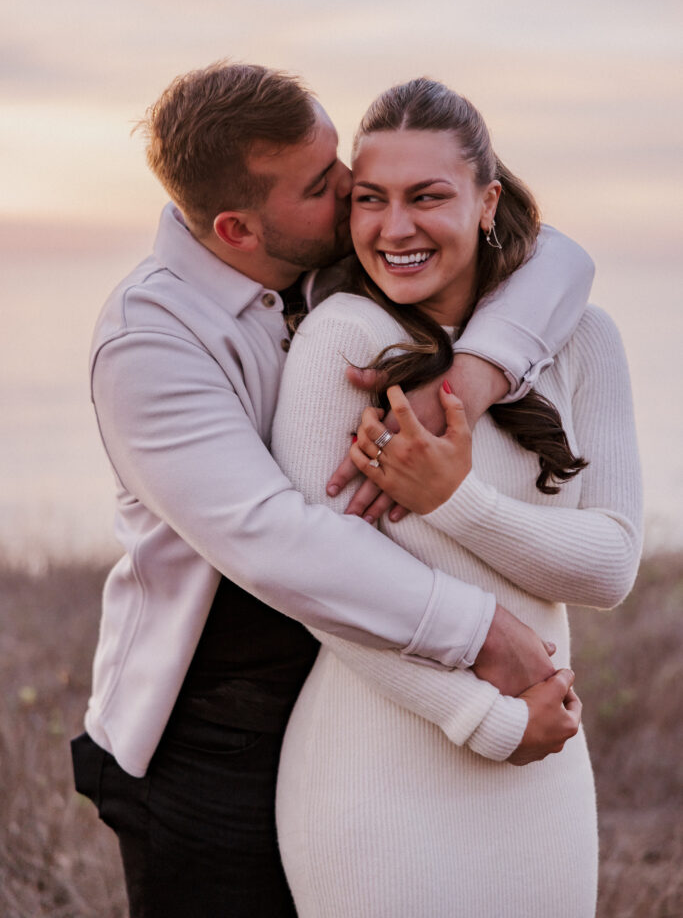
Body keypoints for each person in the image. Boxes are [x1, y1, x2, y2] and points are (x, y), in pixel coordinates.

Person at [71, 62, 596, 918]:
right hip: (208, 739)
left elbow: (562, 261)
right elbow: (273, 537)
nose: (355, 188)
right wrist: (480, 633)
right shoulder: (149, 340)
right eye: (325, 183)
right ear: (238, 227)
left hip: (350, 701)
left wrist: (461, 379)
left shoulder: (318, 271)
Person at [272, 78, 643, 917]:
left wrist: (453, 501)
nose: (394, 228)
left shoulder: (585, 337)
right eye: (370, 199)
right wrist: (486, 719)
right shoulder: (340, 342)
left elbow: (612, 567)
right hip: (376, 774)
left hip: (545, 776)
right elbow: (321, 590)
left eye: (427, 197)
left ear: (487, 201)